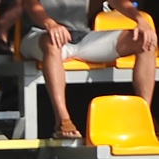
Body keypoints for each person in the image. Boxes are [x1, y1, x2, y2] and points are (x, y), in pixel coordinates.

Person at [20, 0, 156, 138]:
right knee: (52, 43)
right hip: (39, 34)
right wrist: (50, 24)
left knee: (145, 41)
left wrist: (139, 19)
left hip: (81, 36)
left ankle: (143, 115)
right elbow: (29, 4)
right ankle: (62, 120)